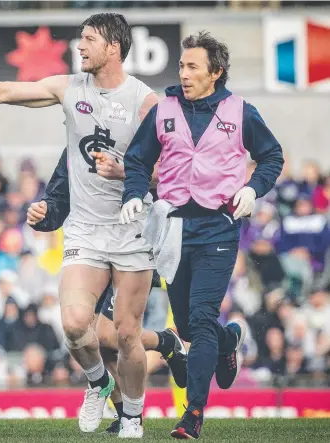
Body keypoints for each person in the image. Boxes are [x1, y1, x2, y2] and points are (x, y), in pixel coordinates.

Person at [0, 13, 158, 437]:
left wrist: (128, 174)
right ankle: (99, 382)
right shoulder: (70, 87)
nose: (79, 46)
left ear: (113, 47)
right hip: (85, 231)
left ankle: (132, 417)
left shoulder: (146, 102)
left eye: (89, 39)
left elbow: (168, 174)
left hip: (132, 228)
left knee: (128, 336)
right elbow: (3, 90)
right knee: (76, 324)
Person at [119, 31, 284, 439]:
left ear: (216, 72)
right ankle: (229, 342)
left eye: (193, 66)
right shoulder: (164, 109)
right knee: (191, 329)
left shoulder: (241, 110)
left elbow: (272, 156)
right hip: (172, 229)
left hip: (218, 226)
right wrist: (135, 193)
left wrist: (252, 187)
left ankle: (192, 413)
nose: (184, 73)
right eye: (181, 65)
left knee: (201, 316)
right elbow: (137, 160)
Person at [27, 147, 188, 433]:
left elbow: (171, 178)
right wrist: (45, 214)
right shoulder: (78, 139)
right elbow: (58, 196)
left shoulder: (140, 133)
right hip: (89, 249)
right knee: (86, 335)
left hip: (130, 247)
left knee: (110, 336)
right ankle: (124, 404)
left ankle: (162, 349)